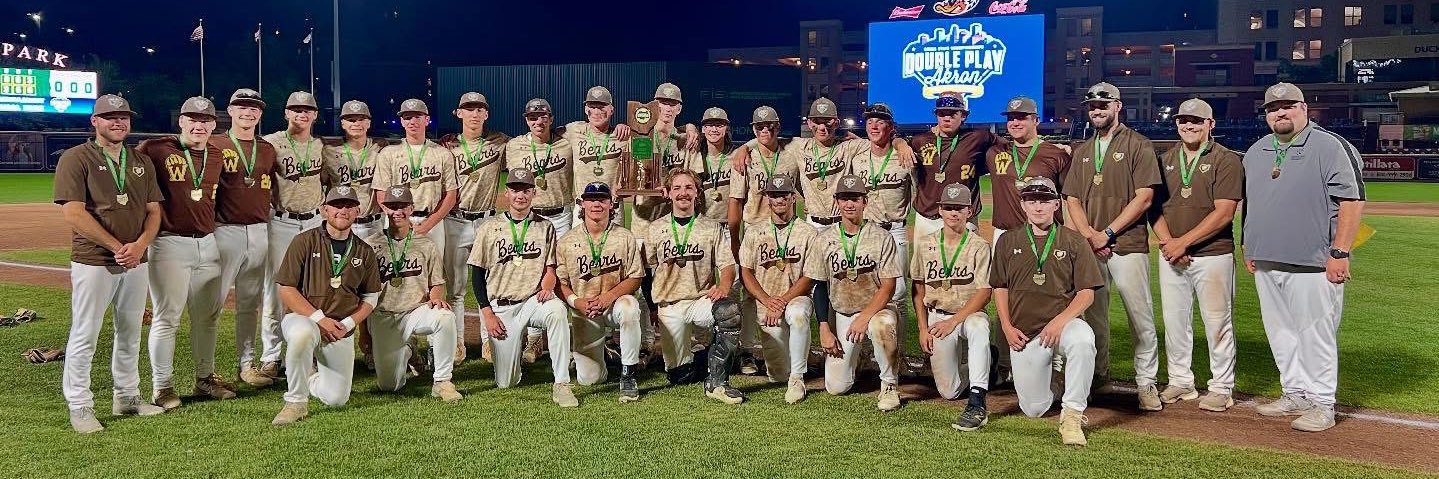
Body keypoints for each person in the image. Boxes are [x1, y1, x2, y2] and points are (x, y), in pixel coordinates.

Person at [1242, 83, 1365, 432]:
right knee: (1281, 332)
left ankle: (1323, 403)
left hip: (1314, 263)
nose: (1280, 112)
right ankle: (1294, 392)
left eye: (1288, 105)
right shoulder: (1257, 150)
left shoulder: (1330, 145)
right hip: (1267, 260)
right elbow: (1250, 204)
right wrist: (1249, 246)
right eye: (1272, 107)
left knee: (1316, 334)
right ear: (1265, 114)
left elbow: (1352, 202)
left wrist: (1340, 252)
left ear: (1304, 108)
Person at [55, 94, 166, 433]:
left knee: (130, 331)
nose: (118, 122)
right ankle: (80, 405)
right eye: (110, 117)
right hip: (94, 260)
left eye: (123, 117)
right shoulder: (76, 158)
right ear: (95, 122)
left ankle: (127, 397)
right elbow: (73, 213)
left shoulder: (139, 160)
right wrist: (120, 247)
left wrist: (141, 246)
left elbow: (154, 211)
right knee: (86, 332)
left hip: (136, 260)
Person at [1062, 82, 1161, 408]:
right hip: (1090, 247)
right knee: (1094, 317)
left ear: (1118, 106)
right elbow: (1072, 198)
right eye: (1092, 106)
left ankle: (1146, 383)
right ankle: (1099, 377)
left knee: (1139, 316)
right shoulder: (1083, 150)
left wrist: (1107, 232)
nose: (1097, 110)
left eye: (1103, 105)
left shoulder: (1139, 144)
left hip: (1128, 244)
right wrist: (1090, 234)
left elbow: (1144, 198)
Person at [991, 177, 1103, 446]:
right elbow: (1000, 287)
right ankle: (1057, 384)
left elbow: (1086, 293)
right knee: (1034, 408)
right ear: (1023, 205)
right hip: (1026, 332)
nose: (1038, 206)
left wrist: (1059, 322)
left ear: (1056, 204)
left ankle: (1073, 415)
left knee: (1083, 340)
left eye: (1044, 201)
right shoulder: (1007, 240)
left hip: (1062, 326)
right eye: (1031, 201)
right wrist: (1006, 326)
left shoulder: (1074, 241)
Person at [136, 96, 232, 409]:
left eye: (205, 120)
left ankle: (205, 379)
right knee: (168, 318)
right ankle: (162, 387)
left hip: (208, 243)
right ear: (181, 121)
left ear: (214, 125)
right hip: (169, 242)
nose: (199, 125)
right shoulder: (156, 148)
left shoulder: (217, 154)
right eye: (193, 119)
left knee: (208, 317)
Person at [1151, 98, 1242, 412]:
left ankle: (1221, 387)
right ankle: (1180, 381)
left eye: (1196, 121)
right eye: (1183, 121)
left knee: (1217, 323)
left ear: (1210, 125)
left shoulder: (1226, 160)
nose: (1189, 126)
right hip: (1171, 255)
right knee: (1175, 322)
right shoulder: (1164, 160)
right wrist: (1169, 244)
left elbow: (1225, 212)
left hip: (1213, 254)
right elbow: (1153, 209)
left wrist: (1182, 243)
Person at [270, 186, 383, 426]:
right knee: (301, 335)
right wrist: (320, 319)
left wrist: (348, 323)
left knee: (336, 399)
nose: (342, 210)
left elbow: (371, 298)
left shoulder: (365, 251)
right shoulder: (304, 241)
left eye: (349, 206)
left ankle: (309, 375)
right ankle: (295, 402)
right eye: (337, 205)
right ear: (325, 210)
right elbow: (286, 289)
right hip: (305, 318)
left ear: (357, 212)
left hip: (340, 327)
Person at [984, 95, 1071, 385]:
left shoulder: (1056, 154)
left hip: (1044, 236)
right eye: (1011, 118)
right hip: (1005, 234)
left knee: (1050, 296)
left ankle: (1055, 363)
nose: (1015, 122)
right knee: (1004, 297)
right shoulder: (995, 151)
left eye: (1022, 117)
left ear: (1036, 120)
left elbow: (1068, 200)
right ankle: (1004, 362)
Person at [469, 169, 575, 407]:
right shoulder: (489, 227)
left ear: (533, 193)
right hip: (502, 307)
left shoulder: (545, 227)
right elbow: (476, 274)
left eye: (526, 190)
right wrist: (487, 313)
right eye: (515, 189)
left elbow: (550, 268)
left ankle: (562, 383)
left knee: (557, 311)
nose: (520, 195)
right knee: (506, 382)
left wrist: (548, 286)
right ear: (506, 193)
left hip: (531, 302)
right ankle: (512, 357)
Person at [647, 169, 746, 404]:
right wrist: (652, 307)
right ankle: (709, 357)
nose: (683, 193)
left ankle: (718, 381)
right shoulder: (655, 229)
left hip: (701, 300)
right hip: (669, 304)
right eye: (677, 188)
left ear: (697, 193)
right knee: (679, 376)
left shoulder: (711, 227)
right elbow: (644, 271)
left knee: (729, 312)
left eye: (689, 188)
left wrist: (723, 286)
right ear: (669, 194)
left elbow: (728, 266)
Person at [805, 175, 903, 411]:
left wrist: (865, 317)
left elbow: (889, 285)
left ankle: (889, 384)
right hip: (843, 312)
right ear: (836, 201)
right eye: (844, 198)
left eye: (855, 199)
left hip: (877, 308)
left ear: (865, 201)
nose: (850, 204)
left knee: (881, 327)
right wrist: (824, 328)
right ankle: (856, 360)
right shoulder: (825, 238)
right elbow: (819, 285)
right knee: (837, 387)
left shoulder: (881, 237)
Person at [211, 88, 281, 388]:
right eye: (242, 107)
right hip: (224, 229)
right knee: (212, 303)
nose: (248, 112)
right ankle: (206, 370)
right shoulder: (215, 144)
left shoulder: (266, 149)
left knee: (250, 304)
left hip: (259, 230)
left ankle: (246, 363)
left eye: (254, 108)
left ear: (261, 114)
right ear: (230, 110)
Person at [366, 185, 461, 401]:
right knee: (390, 386)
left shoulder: (426, 244)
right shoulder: (371, 245)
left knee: (445, 317)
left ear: (411, 208)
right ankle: (408, 350)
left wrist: (436, 297)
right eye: (392, 206)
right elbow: (364, 293)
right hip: (384, 316)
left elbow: (437, 282)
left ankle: (442, 381)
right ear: (384, 208)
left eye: (402, 206)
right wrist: (365, 332)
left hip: (416, 311)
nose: (397, 211)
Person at [556, 181, 646, 402]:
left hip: (613, 304)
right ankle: (605, 355)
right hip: (585, 309)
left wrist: (608, 297)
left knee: (629, 308)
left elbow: (635, 277)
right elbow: (560, 282)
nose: (596, 203)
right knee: (589, 379)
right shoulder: (567, 241)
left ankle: (628, 374)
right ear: (582, 205)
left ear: (611, 204)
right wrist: (577, 302)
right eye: (591, 199)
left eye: (602, 199)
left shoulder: (624, 236)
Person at [260, 91, 329, 380]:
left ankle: (306, 352)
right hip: (282, 222)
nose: (302, 114)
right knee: (276, 289)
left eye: (307, 110)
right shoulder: (272, 143)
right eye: (296, 109)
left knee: (312, 288)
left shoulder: (318, 145)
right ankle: (271, 356)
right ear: (286, 113)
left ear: (315, 115)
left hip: (313, 221)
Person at [912, 183, 992, 430]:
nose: (954, 213)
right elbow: (918, 289)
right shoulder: (925, 244)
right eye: (949, 208)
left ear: (969, 211)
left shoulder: (979, 245)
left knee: (979, 326)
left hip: (967, 315)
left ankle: (978, 401)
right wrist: (923, 328)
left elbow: (985, 292)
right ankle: (986, 362)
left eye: (959, 208)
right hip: (938, 317)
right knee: (949, 391)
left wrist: (954, 322)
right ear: (940, 210)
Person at [445, 92, 511, 365]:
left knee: (491, 284)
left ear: (486, 114)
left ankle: (489, 341)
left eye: (479, 109)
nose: (474, 114)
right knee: (456, 287)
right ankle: (458, 343)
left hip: (487, 221)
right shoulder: (446, 147)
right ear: (458, 113)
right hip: (455, 220)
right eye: (468, 109)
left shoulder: (500, 143)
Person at [738, 174, 816, 403]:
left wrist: (781, 301)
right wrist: (766, 300)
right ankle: (790, 371)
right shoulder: (754, 232)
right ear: (767, 199)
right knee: (777, 374)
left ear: (793, 198)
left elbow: (809, 276)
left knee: (798, 315)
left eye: (784, 194)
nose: (779, 199)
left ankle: (798, 378)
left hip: (796, 298)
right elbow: (746, 272)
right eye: (774, 195)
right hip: (766, 306)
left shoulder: (807, 232)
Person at [374, 99, 459, 253]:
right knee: (397, 271)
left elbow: (451, 195)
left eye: (417, 117)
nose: (412, 121)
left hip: (432, 221)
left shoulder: (442, 154)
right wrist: (400, 220)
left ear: (427, 120)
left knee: (434, 273)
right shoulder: (388, 153)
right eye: (407, 117)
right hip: (397, 221)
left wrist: (429, 224)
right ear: (401, 121)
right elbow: (381, 194)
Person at [910, 93, 1001, 237]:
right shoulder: (920, 141)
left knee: (967, 259)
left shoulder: (978, 138)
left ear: (963, 116)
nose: (947, 118)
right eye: (942, 113)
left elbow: (1008, 147)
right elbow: (894, 146)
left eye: (952, 114)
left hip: (964, 217)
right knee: (925, 259)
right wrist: (900, 143)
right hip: (927, 219)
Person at [503, 98, 574, 235]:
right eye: (533, 118)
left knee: (561, 256)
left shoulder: (567, 144)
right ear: (527, 121)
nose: (539, 122)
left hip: (561, 218)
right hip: (529, 216)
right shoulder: (513, 145)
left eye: (543, 117)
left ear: (551, 119)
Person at [323, 100, 383, 241]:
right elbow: (319, 184)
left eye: (361, 119)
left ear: (368, 123)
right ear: (343, 123)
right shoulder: (329, 151)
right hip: (340, 223)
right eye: (351, 120)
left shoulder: (380, 148)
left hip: (373, 224)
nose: (356, 124)